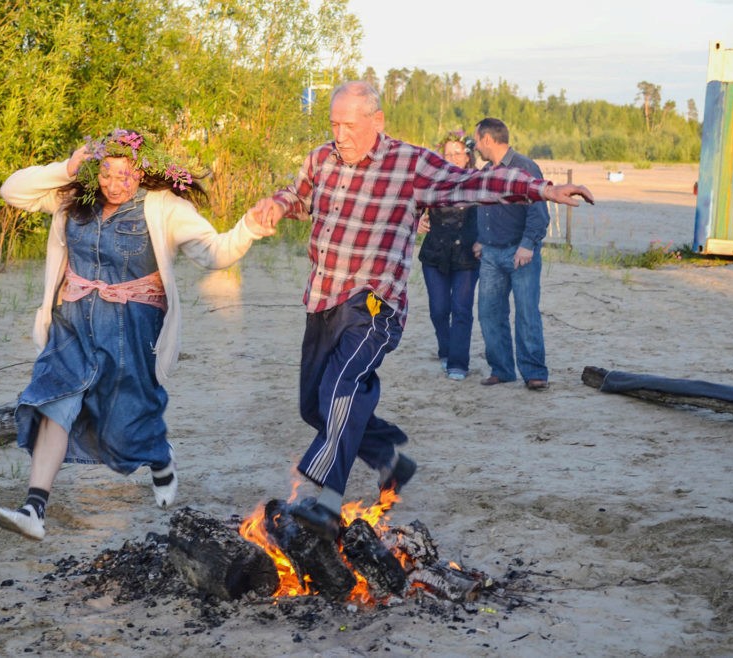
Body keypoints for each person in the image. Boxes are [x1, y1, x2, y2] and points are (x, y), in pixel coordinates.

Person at [250, 81, 593, 541]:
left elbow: (473, 182)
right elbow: (300, 196)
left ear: (377, 121)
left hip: (374, 303)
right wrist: (277, 204)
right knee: (314, 406)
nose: (340, 135)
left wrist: (541, 189)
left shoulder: (409, 164)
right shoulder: (321, 159)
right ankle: (390, 458)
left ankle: (328, 504)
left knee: (341, 388)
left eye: (349, 125)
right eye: (334, 124)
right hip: (323, 298)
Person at [0, 129, 273, 540]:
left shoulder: (163, 208)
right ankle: (34, 508)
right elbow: (12, 191)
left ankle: (159, 456)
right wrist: (65, 168)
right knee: (54, 402)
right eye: (105, 173)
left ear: (143, 171)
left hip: (131, 328)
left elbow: (214, 252)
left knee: (124, 428)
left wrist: (248, 227)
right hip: (72, 321)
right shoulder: (75, 197)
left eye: (125, 174)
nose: (114, 184)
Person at [471, 118, 551, 391]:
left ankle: (534, 373)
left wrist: (527, 245)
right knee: (489, 313)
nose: (476, 146)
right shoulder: (486, 171)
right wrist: (481, 239)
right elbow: (484, 207)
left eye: (477, 140)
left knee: (527, 313)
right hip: (491, 253)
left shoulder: (525, 167)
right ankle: (502, 369)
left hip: (520, 252)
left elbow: (539, 211)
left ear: (488, 140)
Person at [417, 130, 480, 381]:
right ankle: (445, 350)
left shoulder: (478, 180)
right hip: (435, 253)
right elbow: (412, 206)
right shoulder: (431, 181)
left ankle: (458, 363)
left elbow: (493, 212)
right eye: (447, 154)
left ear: (467, 156)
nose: (453, 158)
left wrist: (484, 240)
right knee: (439, 309)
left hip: (467, 254)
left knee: (461, 309)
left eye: (458, 153)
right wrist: (418, 221)